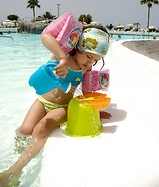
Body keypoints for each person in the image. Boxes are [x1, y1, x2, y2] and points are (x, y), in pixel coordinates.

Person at [0, 25, 111, 187]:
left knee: (40, 129)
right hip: (43, 101)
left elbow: (86, 95)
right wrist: (62, 57)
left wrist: (95, 112)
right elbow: (45, 37)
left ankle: (15, 171)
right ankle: (21, 155)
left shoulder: (86, 69)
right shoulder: (62, 55)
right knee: (24, 130)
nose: (89, 62)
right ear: (78, 47)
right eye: (88, 56)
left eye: (94, 60)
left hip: (63, 106)